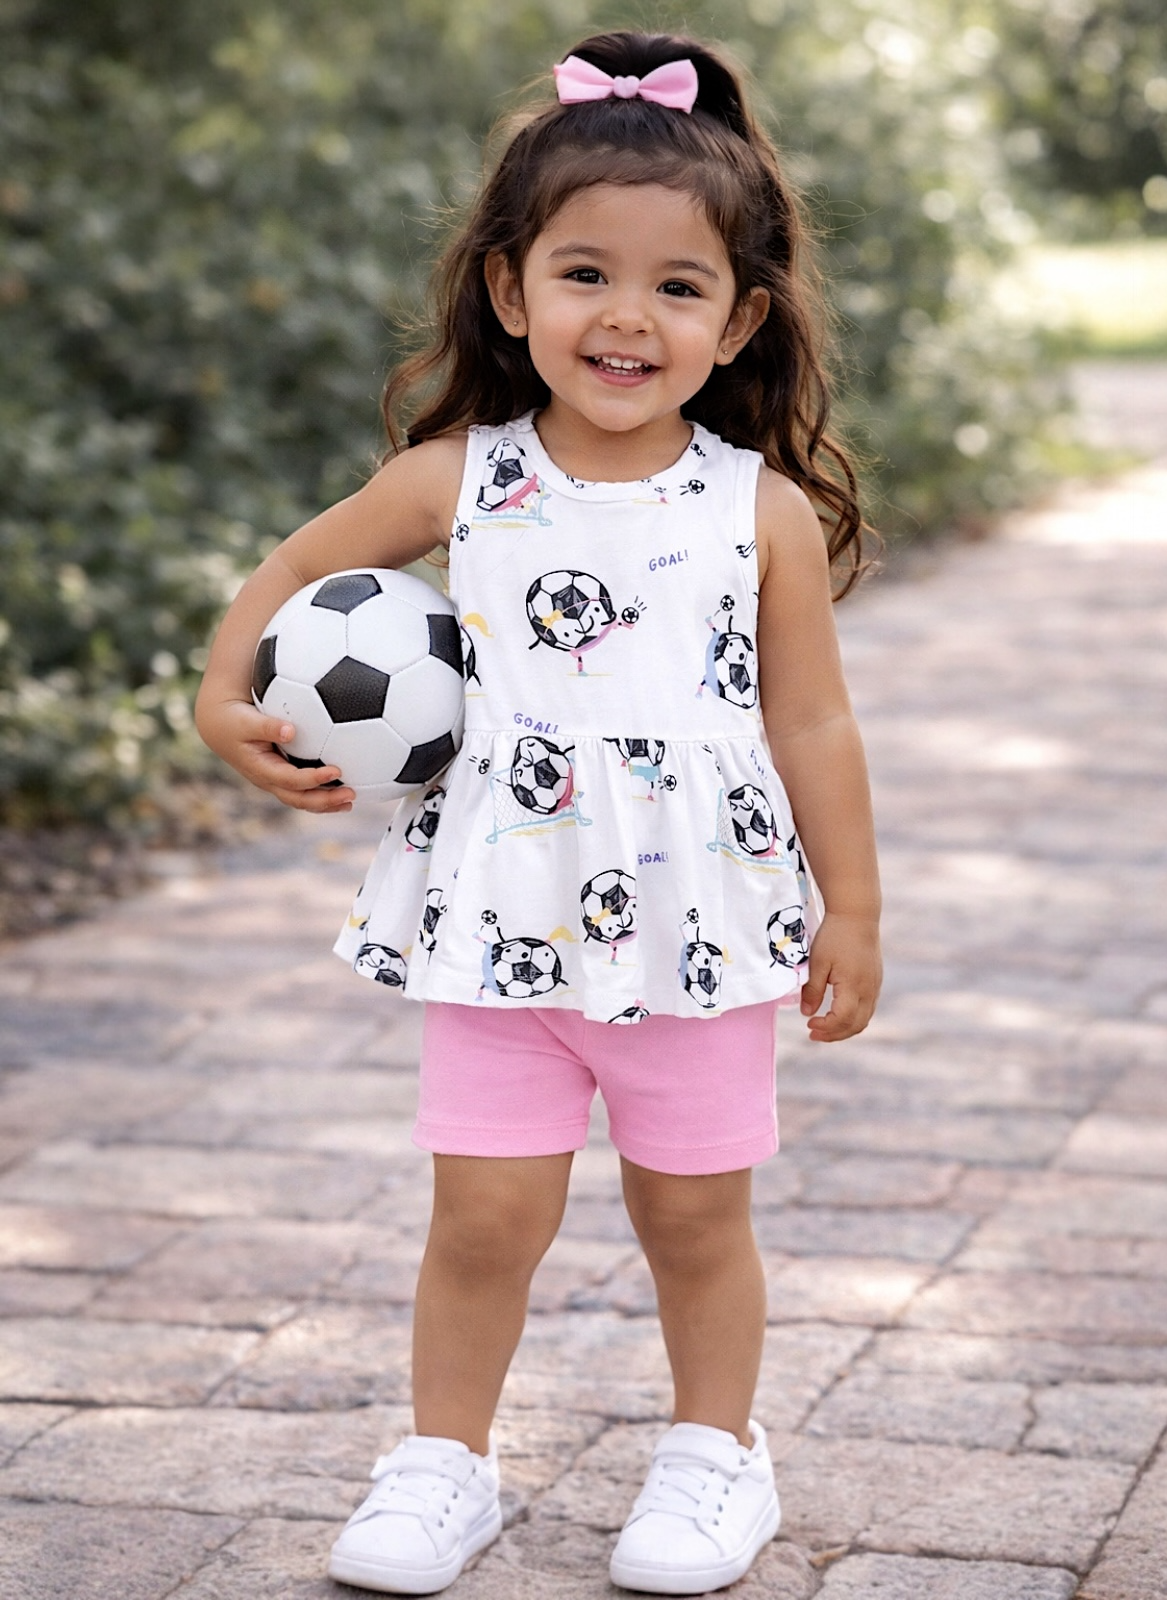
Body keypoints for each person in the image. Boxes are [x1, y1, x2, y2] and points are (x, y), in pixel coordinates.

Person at [195, 28, 882, 1597]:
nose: (627, 316)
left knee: (693, 1217)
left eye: (678, 286)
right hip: (500, 927)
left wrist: (855, 906)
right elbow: (294, 566)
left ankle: (716, 1455)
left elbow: (813, 720)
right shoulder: (463, 479)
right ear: (511, 291)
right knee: (484, 1216)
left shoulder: (756, 510)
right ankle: (445, 1462)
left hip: (696, 935)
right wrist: (222, 698)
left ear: (739, 319)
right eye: (585, 274)